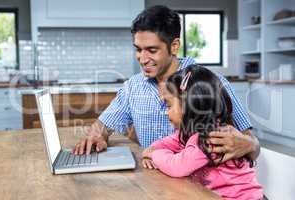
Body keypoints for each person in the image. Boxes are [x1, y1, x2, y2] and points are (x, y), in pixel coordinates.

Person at [72, 5, 260, 165]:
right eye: (138, 49)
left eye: (152, 50)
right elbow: (102, 127)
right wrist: (96, 136)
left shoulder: (211, 83)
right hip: (155, 184)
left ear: (175, 46)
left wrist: (249, 145)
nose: (143, 59)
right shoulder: (133, 87)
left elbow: (253, 145)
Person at [142, 65, 263, 200]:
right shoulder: (192, 132)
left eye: (169, 105)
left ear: (189, 105)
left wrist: (154, 154)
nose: (166, 112)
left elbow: (177, 166)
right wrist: (152, 149)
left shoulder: (212, 138)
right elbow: (168, 142)